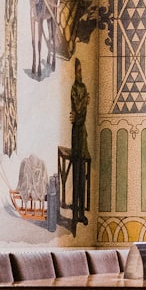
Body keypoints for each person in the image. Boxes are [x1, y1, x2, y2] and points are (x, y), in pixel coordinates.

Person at [69, 57, 89, 225]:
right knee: (75, 177)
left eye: (81, 71)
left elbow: (81, 115)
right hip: (76, 136)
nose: (79, 74)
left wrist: (79, 114)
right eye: (77, 71)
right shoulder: (75, 89)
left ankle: (81, 213)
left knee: (82, 178)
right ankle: (75, 214)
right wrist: (84, 102)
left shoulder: (83, 88)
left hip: (82, 136)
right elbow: (78, 110)